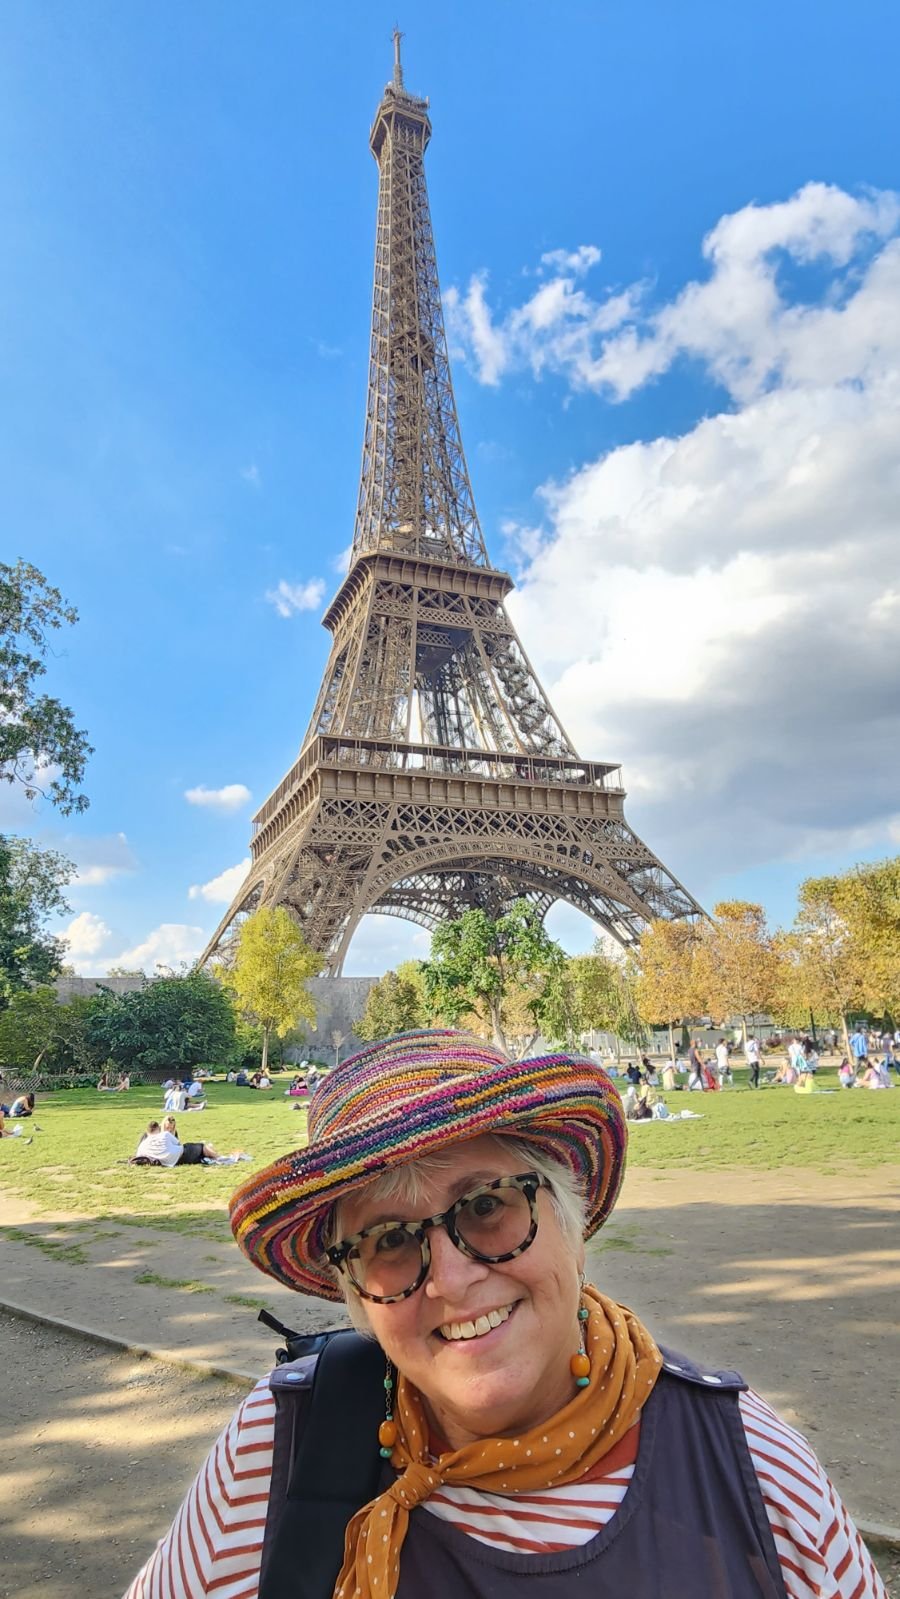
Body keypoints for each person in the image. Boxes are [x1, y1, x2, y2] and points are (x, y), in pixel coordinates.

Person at [122, 1029, 885, 1599]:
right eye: (389, 1239)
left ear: (572, 1220)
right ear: (355, 1294)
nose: (452, 1279)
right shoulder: (278, 1446)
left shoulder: (754, 1463)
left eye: (487, 1205)